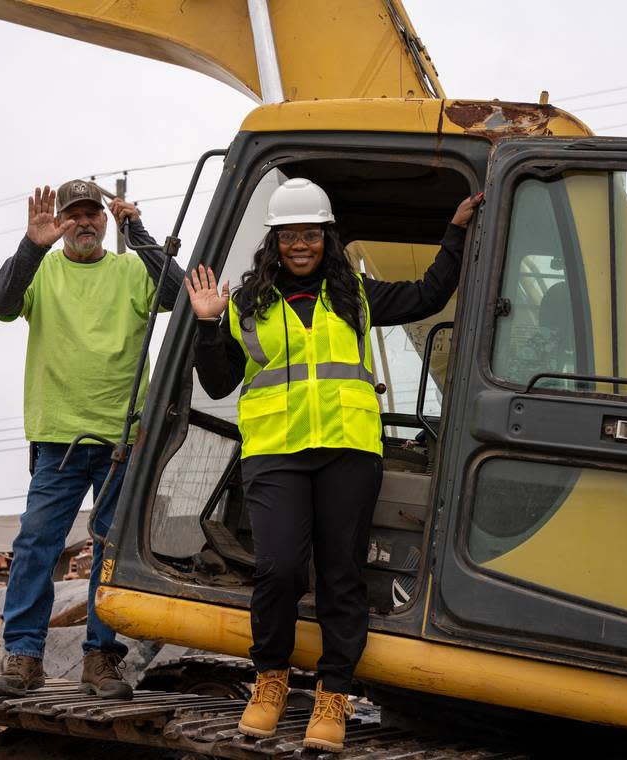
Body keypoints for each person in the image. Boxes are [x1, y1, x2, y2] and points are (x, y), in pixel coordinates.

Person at [184, 178, 480, 751]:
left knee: (342, 576)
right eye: (290, 234)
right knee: (280, 570)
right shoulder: (247, 304)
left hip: (348, 451)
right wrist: (204, 322)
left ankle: (333, 694)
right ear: (275, 241)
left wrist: (455, 233)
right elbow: (218, 380)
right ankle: (269, 681)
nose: (301, 244)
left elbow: (427, 295)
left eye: (311, 234)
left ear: (326, 237)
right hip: (274, 454)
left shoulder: (357, 296)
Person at [0, 179, 180, 698]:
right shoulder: (43, 269)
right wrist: (32, 244)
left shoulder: (130, 269)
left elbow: (180, 295)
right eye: (74, 215)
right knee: (35, 546)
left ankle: (101, 659)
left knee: (112, 553)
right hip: (59, 440)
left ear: (104, 219)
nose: (84, 222)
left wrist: (137, 231)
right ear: (62, 221)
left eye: (93, 213)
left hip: (124, 441)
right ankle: (23, 655)